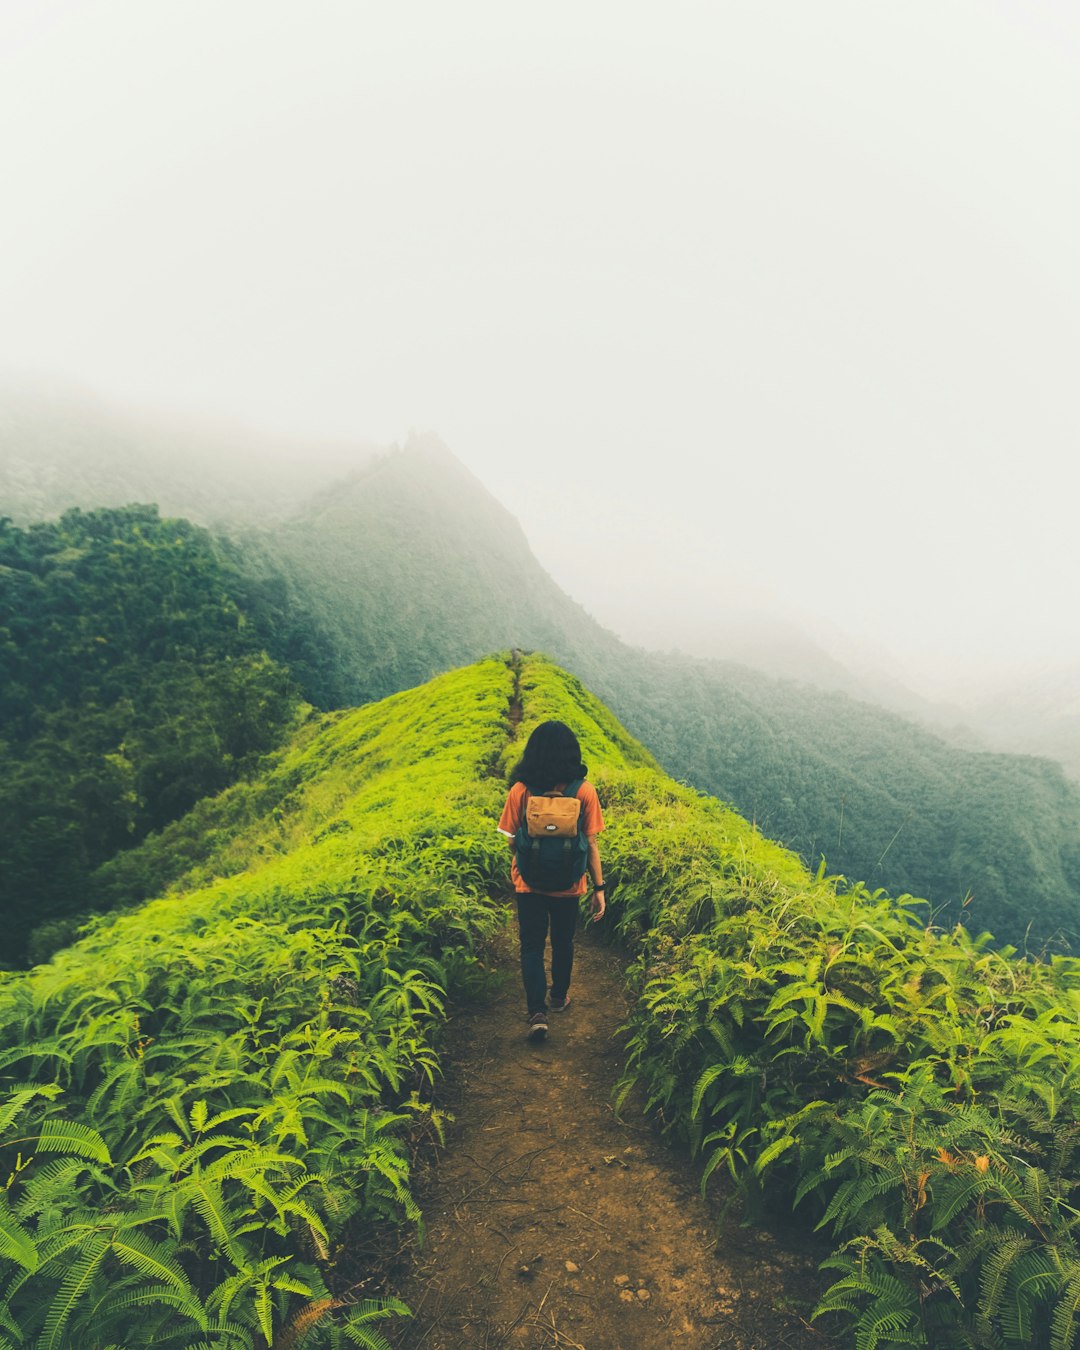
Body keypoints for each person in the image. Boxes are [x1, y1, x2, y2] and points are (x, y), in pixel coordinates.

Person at [497, 720, 607, 1042]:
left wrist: (527, 856)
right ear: (572, 753)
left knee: (531, 945)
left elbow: (510, 840)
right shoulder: (583, 791)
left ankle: (536, 1012)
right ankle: (558, 997)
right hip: (569, 885)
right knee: (562, 941)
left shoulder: (520, 790)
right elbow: (593, 844)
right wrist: (599, 889)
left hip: (529, 883)